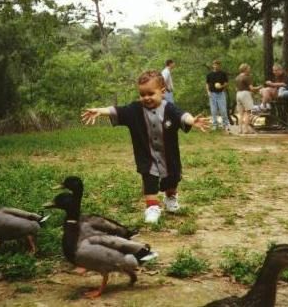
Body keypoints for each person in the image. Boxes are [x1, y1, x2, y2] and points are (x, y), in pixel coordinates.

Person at [81, 70, 210, 224]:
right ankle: (152, 207)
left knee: (172, 179)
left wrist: (191, 121)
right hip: (146, 155)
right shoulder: (135, 110)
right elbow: (118, 110)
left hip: (169, 155)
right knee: (149, 179)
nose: (146, 98)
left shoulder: (169, 108)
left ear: (162, 92)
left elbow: (182, 115)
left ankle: (170, 197)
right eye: (142, 94)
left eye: (151, 93)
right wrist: (100, 111)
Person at [235, 63, 261, 134]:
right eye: (248, 68)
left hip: (238, 94)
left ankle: (240, 129)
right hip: (245, 94)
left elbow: (236, 88)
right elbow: (251, 88)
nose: (249, 70)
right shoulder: (247, 77)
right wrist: (259, 87)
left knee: (240, 113)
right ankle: (246, 129)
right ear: (245, 69)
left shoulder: (237, 77)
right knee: (247, 112)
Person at [206, 59, 230, 132]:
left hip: (221, 94)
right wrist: (208, 92)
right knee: (213, 110)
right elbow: (207, 83)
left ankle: (226, 125)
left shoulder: (223, 74)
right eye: (215, 64)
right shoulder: (209, 74)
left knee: (223, 110)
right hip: (212, 94)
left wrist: (221, 86)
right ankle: (214, 125)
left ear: (220, 65)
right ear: (213, 65)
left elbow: (226, 83)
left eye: (218, 64)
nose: (216, 66)